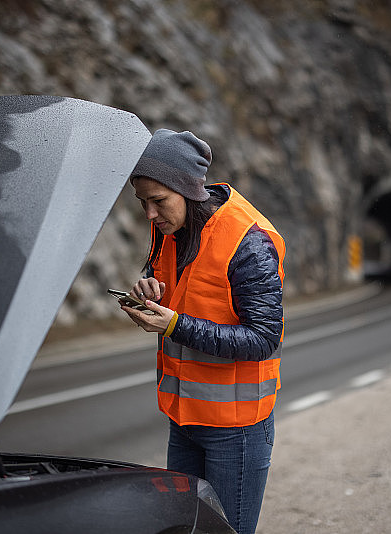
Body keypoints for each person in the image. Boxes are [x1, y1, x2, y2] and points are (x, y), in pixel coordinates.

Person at [119, 128, 285, 534]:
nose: (150, 214)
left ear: (188, 190)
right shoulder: (170, 229)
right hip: (183, 421)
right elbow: (177, 287)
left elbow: (263, 339)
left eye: (158, 201)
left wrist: (174, 325)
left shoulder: (249, 243)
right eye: (142, 202)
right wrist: (149, 290)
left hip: (236, 430)